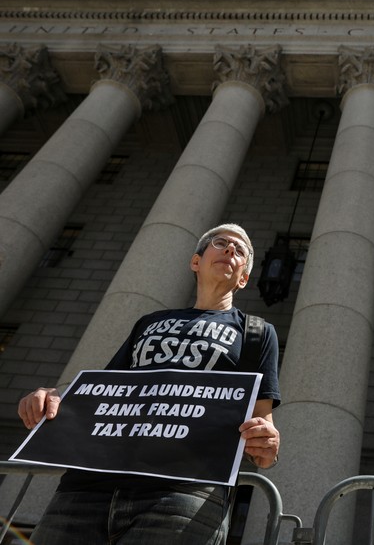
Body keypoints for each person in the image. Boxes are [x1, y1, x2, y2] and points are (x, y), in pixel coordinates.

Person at [17, 223, 281, 545]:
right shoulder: (150, 322)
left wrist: (267, 449)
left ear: (243, 278)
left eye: (240, 251)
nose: (229, 250)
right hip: (88, 489)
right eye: (220, 243)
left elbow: (262, 424)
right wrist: (55, 395)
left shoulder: (257, 333)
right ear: (195, 262)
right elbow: (106, 390)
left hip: (184, 495)